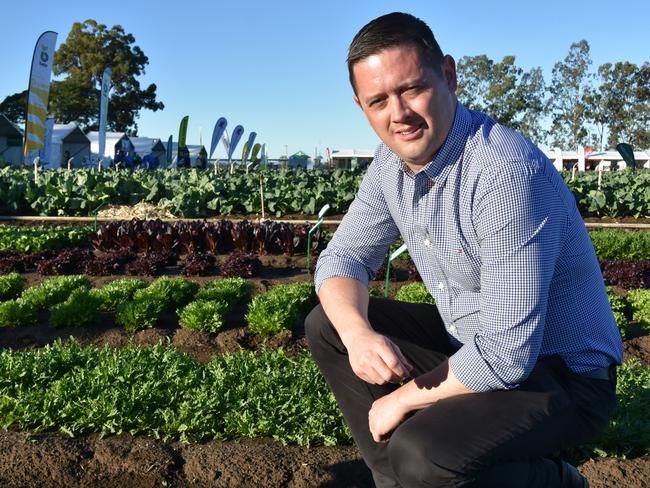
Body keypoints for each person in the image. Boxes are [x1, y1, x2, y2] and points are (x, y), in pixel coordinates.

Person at [305, 12, 622, 488]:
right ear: (361, 106)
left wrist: (403, 398)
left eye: (411, 89)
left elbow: (509, 352)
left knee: (423, 452)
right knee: (329, 324)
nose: (398, 114)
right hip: (473, 346)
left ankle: (553, 481)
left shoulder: (503, 172)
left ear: (449, 76)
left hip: (562, 376)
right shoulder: (390, 168)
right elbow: (342, 259)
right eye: (378, 101)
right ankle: (396, 482)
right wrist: (356, 335)